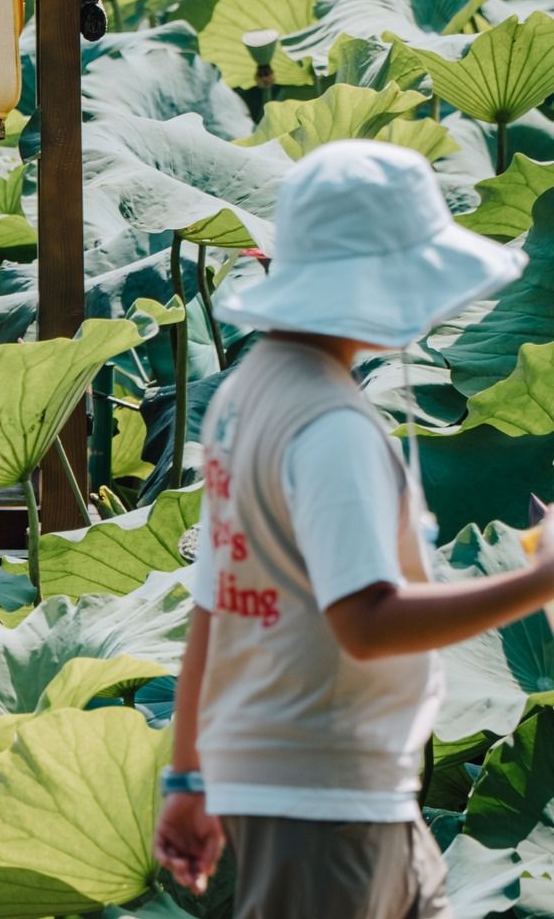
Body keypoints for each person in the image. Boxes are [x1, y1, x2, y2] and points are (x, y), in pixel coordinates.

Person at [155, 140, 538, 919]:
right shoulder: (332, 426)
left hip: (311, 788)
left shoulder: (244, 395)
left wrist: (188, 776)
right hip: (331, 802)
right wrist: (540, 581)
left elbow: (213, 604)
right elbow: (365, 621)